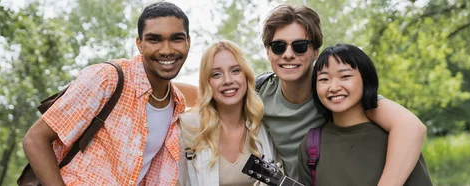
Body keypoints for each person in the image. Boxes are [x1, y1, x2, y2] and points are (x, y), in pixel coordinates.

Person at [177, 4, 428, 185]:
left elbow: (410, 127)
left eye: (299, 46)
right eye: (278, 46)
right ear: (268, 52)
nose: (288, 54)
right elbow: (218, 91)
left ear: (315, 50)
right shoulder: (260, 94)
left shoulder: (336, 95)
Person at [22, 2, 192, 185]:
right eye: (154, 39)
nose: (166, 50)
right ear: (140, 44)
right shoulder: (108, 78)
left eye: (176, 39)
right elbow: (35, 139)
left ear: (188, 42)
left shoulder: (176, 103)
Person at [298, 44, 432, 186]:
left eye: (345, 76)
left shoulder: (396, 138)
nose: (334, 87)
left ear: (365, 79)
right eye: (324, 79)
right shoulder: (311, 145)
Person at [178, 40, 277, 186]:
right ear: (207, 83)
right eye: (216, 74)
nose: (228, 80)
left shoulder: (263, 125)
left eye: (235, 70)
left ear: (246, 76)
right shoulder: (188, 127)